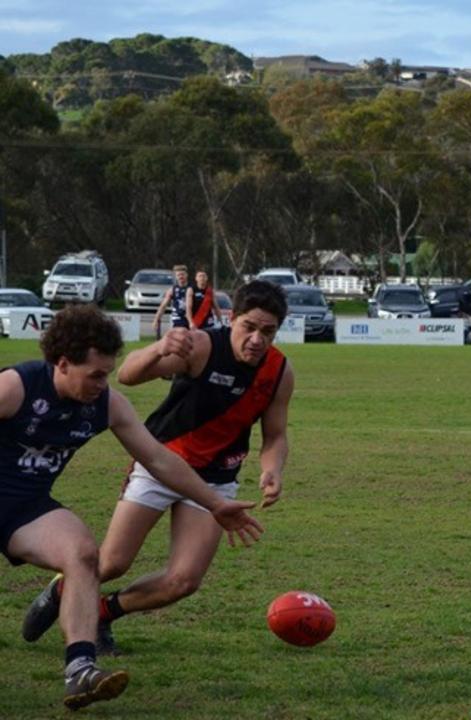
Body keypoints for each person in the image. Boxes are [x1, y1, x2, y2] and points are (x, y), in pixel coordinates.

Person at [5, 305, 262, 710]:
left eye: (107, 374)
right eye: (95, 375)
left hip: (25, 509)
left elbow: (159, 460)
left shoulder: (107, 404)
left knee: (84, 554)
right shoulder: (16, 388)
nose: (102, 384)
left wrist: (216, 504)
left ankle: (80, 671)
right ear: (62, 363)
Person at [21, 281, 293, 656]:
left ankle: (103, 612)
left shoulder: (279, 372)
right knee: (112, 562)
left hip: (216, 480)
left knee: (184, 581)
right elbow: (128, 375)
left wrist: (272, 469)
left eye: (268, 331)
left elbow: (275, 435)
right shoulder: (200, 347)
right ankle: (61, 588)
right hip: (161, 464)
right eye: (249, 326)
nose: (257, 339)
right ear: (232, 318)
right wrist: (160, 347)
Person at [152, 264, 190, 339]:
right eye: (178, 275)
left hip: (191, 319)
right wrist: (156, 319)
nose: (181, 277)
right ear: (175, 277)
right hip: (178, 319)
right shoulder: (172, 290)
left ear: (186, 275)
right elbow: (163, 306)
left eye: (182, 274)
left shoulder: (192, 288)